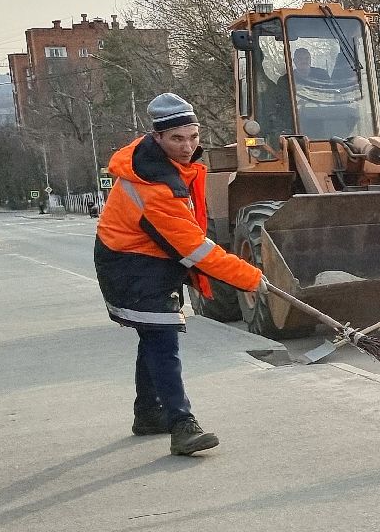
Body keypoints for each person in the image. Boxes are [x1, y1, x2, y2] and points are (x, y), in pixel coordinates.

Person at [94, 93, 268, 456]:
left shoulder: (166, 165)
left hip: (150, 258)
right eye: (177, 138)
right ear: (157, 138)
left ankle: (147, 413)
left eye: (193, 136)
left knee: (153, 335)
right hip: (130, 264)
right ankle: (181, 424)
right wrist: (250, 278)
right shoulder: (153, 185)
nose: (188, 146)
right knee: (162, 338)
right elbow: (196, 249)